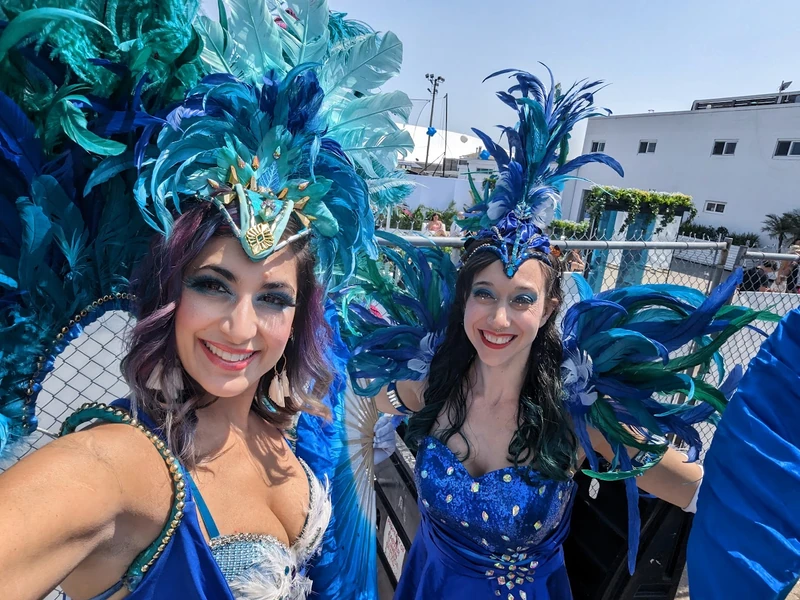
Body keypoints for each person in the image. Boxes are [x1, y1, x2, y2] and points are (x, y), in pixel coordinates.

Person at [0, 2, 408, 598]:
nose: (241, 328)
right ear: (170, 291)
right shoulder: (119, 465)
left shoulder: (286, 427)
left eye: (272, 298)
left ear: (299, 318)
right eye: (213, 285)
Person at [349, 68, 736, 600]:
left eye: (521, 299)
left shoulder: (578, 414)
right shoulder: (433, 383)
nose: (498, 319)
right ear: (463, 300)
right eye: (484, 294)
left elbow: (701, 492)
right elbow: (373, 401)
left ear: (549, 306)